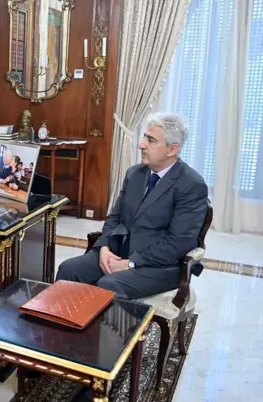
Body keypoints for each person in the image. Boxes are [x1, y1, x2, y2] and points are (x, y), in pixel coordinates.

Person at [56, 112, 208, 301]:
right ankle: (65, 328)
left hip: (159, 267)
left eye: (151, 140)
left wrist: (131, 263)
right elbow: (115, 218)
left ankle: (109, 332)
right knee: (69, 269)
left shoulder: (191, 185)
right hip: (119, 253)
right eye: (144, 136)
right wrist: (104, 248)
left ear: (172, 149)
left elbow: (178, 243)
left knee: (109, 285)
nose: (141, 144)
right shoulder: (135, 174)